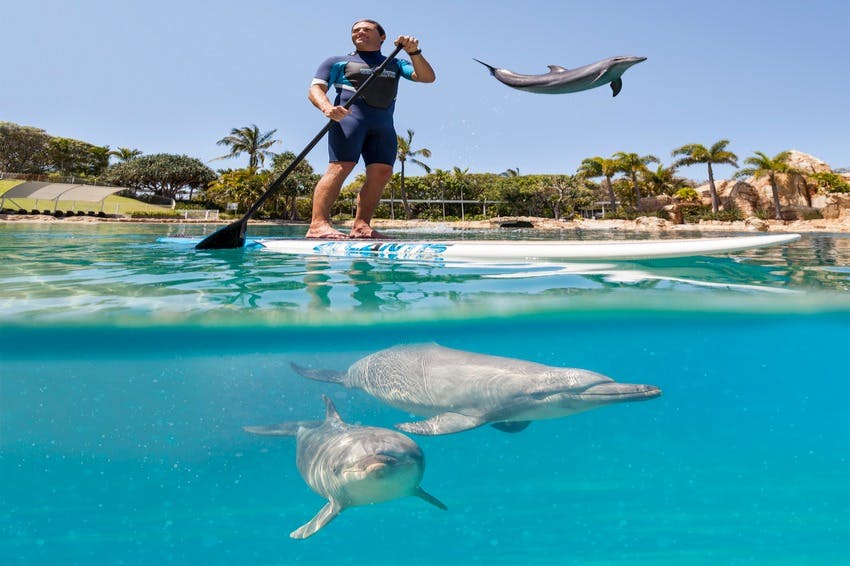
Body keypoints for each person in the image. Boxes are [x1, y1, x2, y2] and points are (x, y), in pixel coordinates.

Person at [306, 19, 435, 239]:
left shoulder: (394, 63)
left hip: (383, 126)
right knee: (340, 167)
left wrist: (414, 52)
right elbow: (315, 89)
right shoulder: (336, 61)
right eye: (355, 30)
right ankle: (318, 225)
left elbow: (427, 78)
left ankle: (361, 227)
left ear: (382, 37)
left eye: (367, 29)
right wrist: (327, 108)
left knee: (382, 172)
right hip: (348, 121)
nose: (360, 32)